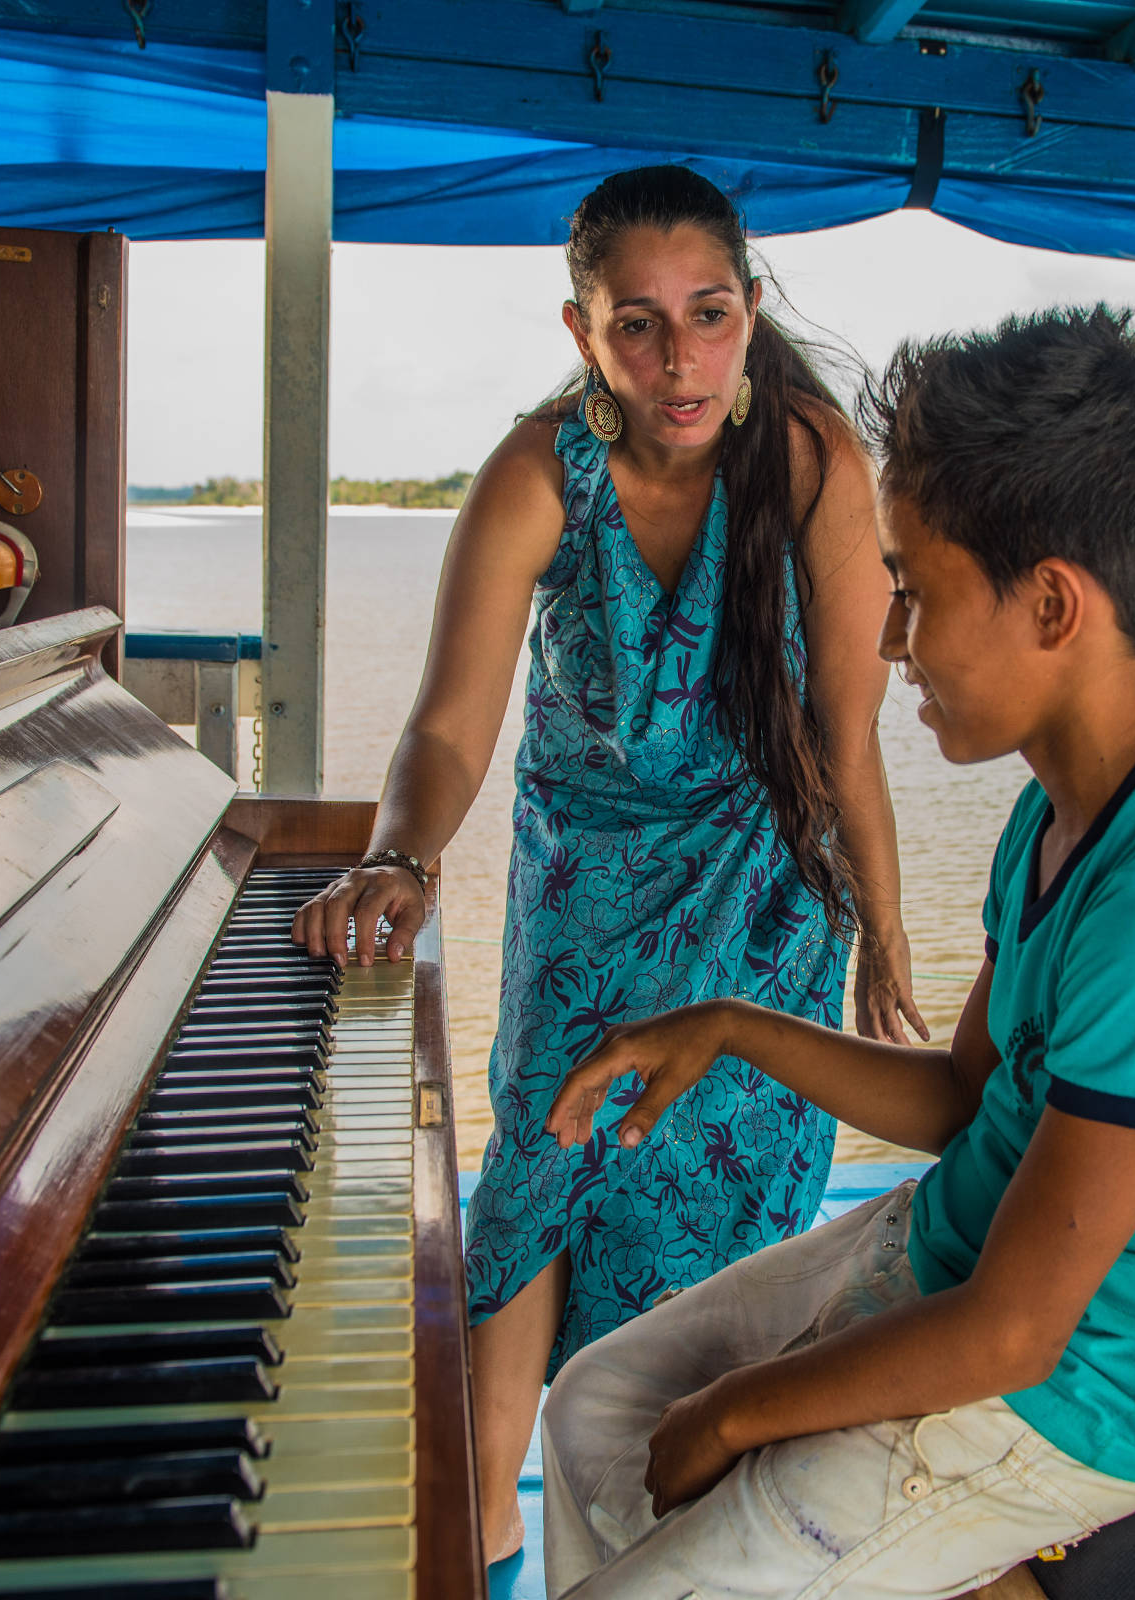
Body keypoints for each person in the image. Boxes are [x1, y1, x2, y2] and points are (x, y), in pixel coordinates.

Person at [533, 307, 1135, 1599]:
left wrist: (737, 1414)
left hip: (1074, 1396)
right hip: (960, 1245)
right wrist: (735, 1024)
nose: (887, 641)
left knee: (674, 1469)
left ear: (1050, 604)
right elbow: (971, 1103)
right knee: (594, 1406)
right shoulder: (1065, 806)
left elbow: (1017, 1332)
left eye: (913, 591)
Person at [288, 166, 922, 1563]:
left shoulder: (814, 462)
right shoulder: (539, 472)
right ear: (583, 333)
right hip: (578, 920)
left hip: (760, 924)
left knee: (701, 1265)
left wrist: (882, 930)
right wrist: (400, 855)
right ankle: (468, 1555)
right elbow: (449, 728)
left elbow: (849, 742)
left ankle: (646, 1562)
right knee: (529, 1203)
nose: (677, 357)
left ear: (750, 314)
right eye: (636, 324)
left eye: (705, 315)